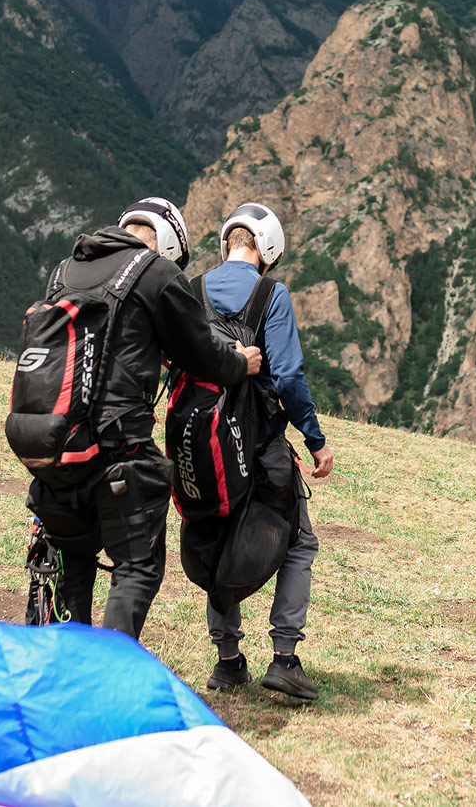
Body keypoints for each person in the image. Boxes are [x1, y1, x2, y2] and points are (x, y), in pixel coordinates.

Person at [25, 197, 262, 639]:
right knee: (138, 565)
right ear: (170, 245)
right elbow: (201, 354)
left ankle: (66, 676)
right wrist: (239, 363)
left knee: (74, 560)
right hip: (117, 447)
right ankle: (109, 682)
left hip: (56, 445)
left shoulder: (65, 271)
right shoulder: (154, 272)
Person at [200, 202, 333, 701]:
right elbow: (290, 377)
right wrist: (315, 440)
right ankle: (284, 658)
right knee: (299, 541)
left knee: (217, 545)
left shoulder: (192, 292)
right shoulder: (271, 295)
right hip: (261, 448)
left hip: (208, 448)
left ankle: (228, 661)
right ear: (268, 248)